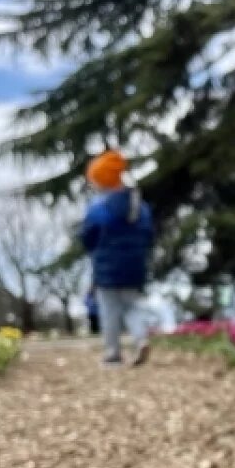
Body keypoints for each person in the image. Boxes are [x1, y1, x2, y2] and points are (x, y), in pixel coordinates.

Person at [81, 150, 156, 366]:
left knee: (109, 309)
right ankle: (140, 339)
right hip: (135, 266)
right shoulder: (139, 207)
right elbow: (149, 234)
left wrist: (94, 251)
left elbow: (88, 236)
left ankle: (112, 354)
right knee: (132, 305)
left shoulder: (98, 209)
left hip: (106, 268)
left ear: (101, 182)